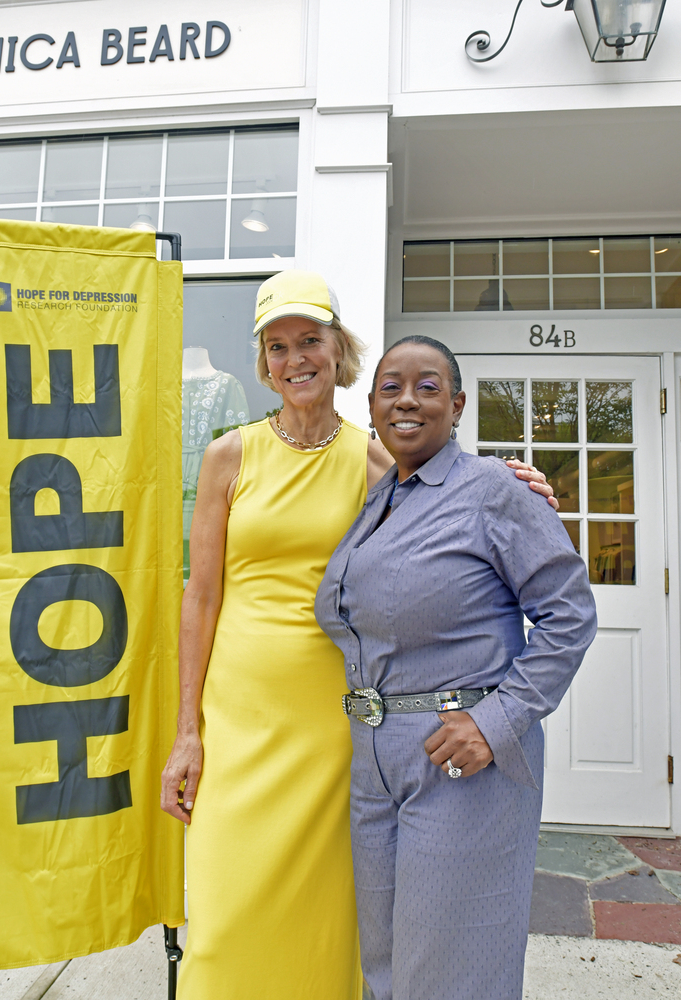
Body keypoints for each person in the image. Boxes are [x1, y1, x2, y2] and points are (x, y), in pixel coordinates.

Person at [159, 273, 558, 1000]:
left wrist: (508, 480)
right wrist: (186, 731)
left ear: (338, 350)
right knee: (223, 902)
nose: (295, 358)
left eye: (310, 340)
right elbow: (201, 596)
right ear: (265, 362)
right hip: (238, 717)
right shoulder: (230, 456)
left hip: (334, 720)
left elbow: (447, 496)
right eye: (278, 346)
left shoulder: (372, 460)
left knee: (330, 912)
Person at [315, 335, 597, 1000]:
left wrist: (496, 721)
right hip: (376, 763)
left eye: (427, 386)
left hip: (460, 761)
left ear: (458, 404)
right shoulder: (380, 500)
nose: (407, 400)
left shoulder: (492, 491)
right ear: (373, 402)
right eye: (390, 387)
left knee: (451, 973)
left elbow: (570, 615)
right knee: (386, 968)